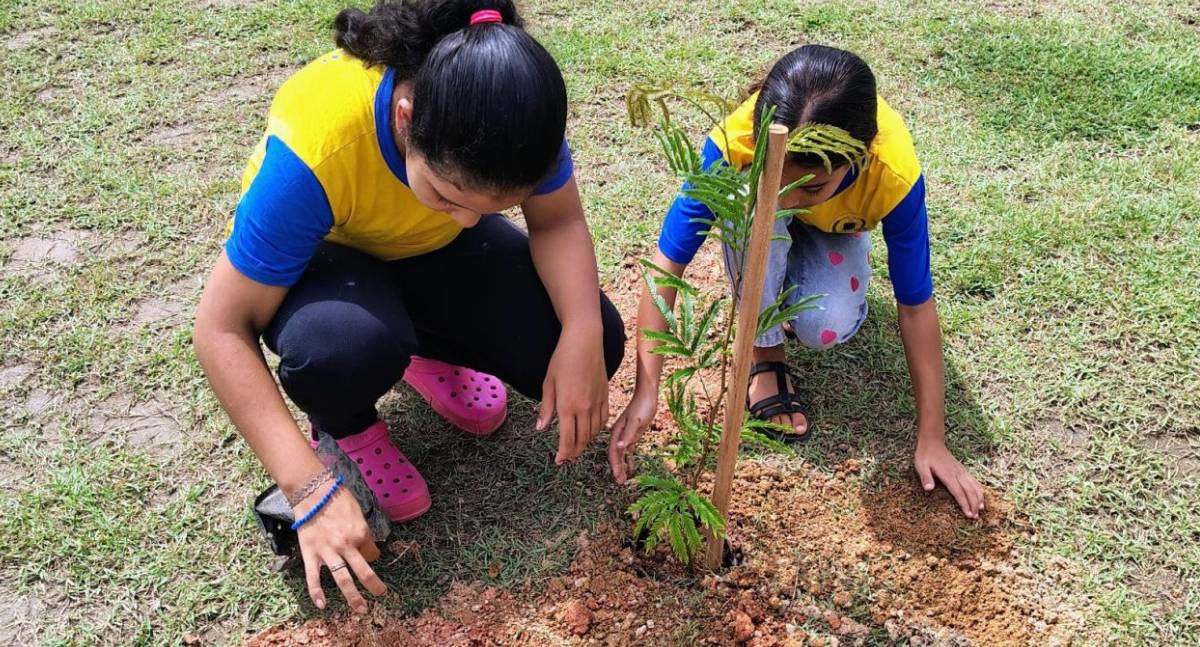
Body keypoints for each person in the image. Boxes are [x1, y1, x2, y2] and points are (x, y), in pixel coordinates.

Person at [193, 0, 624, 613]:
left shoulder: (517, 116)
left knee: (595, 337)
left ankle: (424, 352)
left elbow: (557, 222)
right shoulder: (318, 150)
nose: (472, 220)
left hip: (424, 255)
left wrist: (579, 330)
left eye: (491, 208)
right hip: (331, 266)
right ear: (405, 118)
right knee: (340, 349)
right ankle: (348, 426)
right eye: (448, 195)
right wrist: (309, 489)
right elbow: (220, 330)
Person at [609, 45, 984, 519]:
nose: (785, 197)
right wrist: (647, 391)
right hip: (753, 217)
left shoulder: (892, 173)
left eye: (806, 187)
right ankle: (766, 353)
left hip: (834, 226)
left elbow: (915, 305)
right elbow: (668, 264)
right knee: (753, 215)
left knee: (825, 324)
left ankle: (815, 254)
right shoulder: (735, 145)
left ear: (859, 159)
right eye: (776, 178)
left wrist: (932, 439)